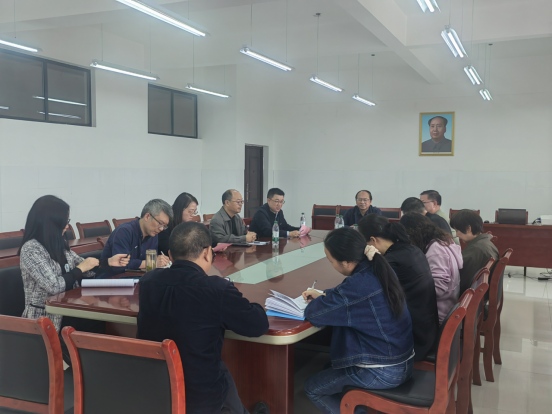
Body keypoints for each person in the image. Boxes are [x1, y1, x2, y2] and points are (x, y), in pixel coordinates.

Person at [137, 222, 270, 414]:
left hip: (155, 390)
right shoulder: (216, 288)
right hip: (201, 398)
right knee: (219, 369)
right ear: (208, 253)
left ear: (171, 255)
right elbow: (258, 325)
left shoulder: (147, 282)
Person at [302, 228, 413, 413]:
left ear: (346, 262)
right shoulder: (378, 269)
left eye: (331, 261)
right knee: (329, 367)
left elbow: (314, 313)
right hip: (401, 360)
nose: (331, 265)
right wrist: (325, 295)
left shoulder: (358, 284)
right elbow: (347, 296)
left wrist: (321, 300)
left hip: (383, 371)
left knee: (312, 388)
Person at [18, 196, 129, 360]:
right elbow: (54, 286)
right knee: (94, 330)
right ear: (51, 222)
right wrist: (80, 269)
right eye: (65, 221)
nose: (67, 225)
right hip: (48, 317)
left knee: (104, 323)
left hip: (72, 309)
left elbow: (85, 268)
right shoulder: (31, 249)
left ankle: (103, 364)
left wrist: (108, 262)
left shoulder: (58, 243)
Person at [358, 214, 438, 361]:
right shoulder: (413, 249)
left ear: (373, 240)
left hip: (413, 339)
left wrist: (368, 262)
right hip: (427, 331)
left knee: (358, 315)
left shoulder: (391, 261)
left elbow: (364, 290)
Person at [400, 213, 463, 324]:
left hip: (439, 314)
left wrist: (409, 290)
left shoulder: (436, 249)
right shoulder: (444, 241)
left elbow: (438, 289)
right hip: (448, 306)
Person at [100, 199, 172, 278]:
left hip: (137, 278)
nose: (161, 229)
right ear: (147, 216)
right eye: (160, 223)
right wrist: (149, 263)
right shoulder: (124, 231)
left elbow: (151, 265)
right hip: (112, 280)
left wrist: (160, 262)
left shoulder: (154, 235)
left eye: (164, 226)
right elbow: (119, 266)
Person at [450, 209, 499, 294]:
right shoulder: (485, 242)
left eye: (457, 230)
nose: (457, 235)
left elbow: (461, 282)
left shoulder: (475, 251)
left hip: (470, 295)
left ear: (468, 228)